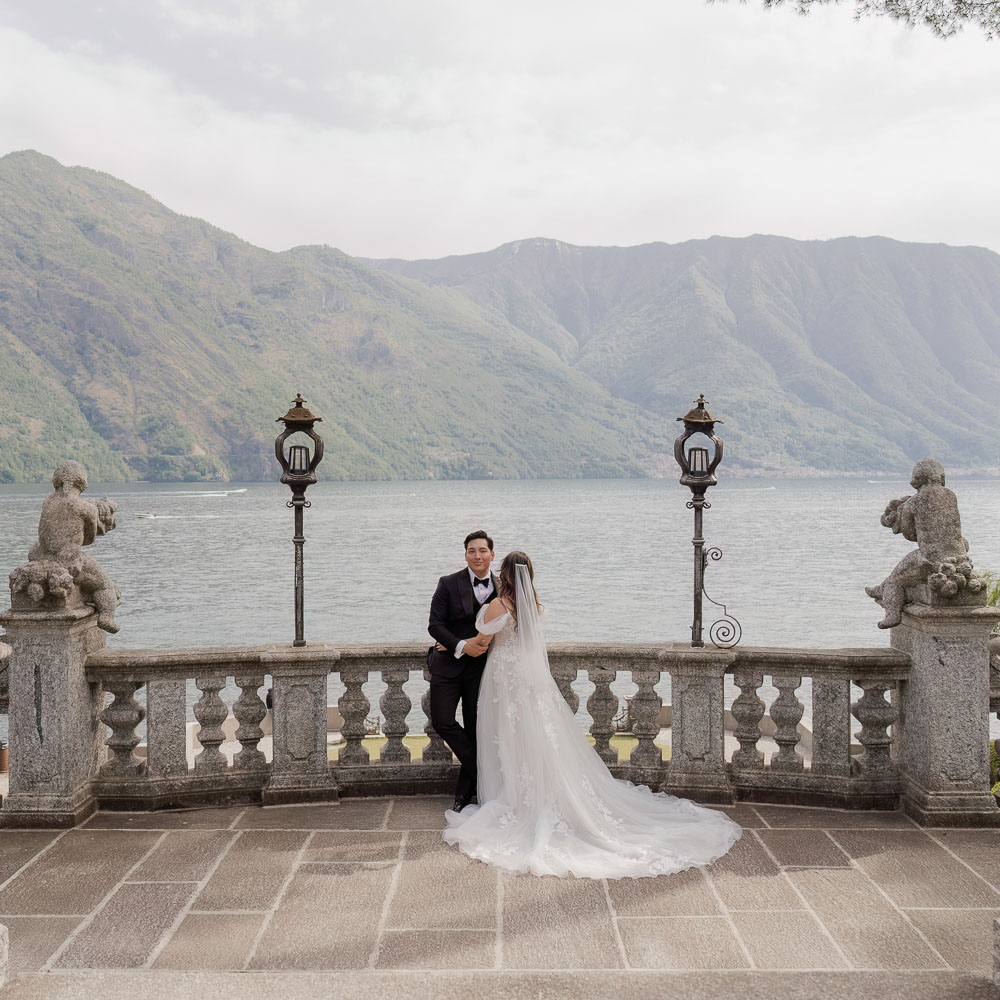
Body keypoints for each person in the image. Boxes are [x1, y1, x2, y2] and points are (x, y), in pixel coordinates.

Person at [444, 551, 742, 879]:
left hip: (504, 677)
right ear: (529, 574)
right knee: (537, 736)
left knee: (508, 736)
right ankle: (535, 793)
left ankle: (514, 797)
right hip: (528, 679)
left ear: (504, 573)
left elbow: (483, 642)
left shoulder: (499, 606)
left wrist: (450, 645)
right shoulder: (535, 607)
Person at [427, 530, 499, 813]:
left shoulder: (502, 587)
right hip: (447, 666)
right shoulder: (447, 583)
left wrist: (479, 647)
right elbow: (435, 625)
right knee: (442, 720)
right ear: (466, 554)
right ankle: (482, 767)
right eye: (472, 551)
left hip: (482, 672)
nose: (477, 556)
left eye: (482, 550)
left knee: (476, 729)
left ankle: (464, 793)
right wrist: (459, 645)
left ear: (492, 554)